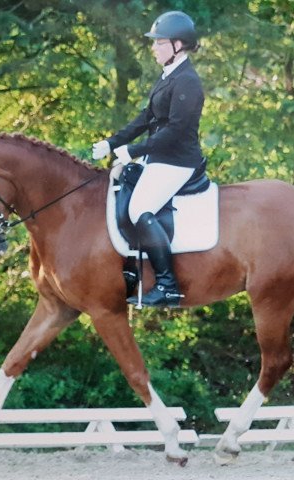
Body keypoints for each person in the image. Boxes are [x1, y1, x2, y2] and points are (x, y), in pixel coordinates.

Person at [92, 10, 205, 308]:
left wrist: (134, 150)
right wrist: (112, 142)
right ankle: (131, 271)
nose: (153, 48)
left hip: (178, 160)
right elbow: (148, 117)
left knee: (140, 208)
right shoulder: (169, 75)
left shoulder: (188, 81)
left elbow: (176, 130)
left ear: (178, 45)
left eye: (159, 43)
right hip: (160, 157)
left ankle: (168, 285)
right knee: (121, 190)